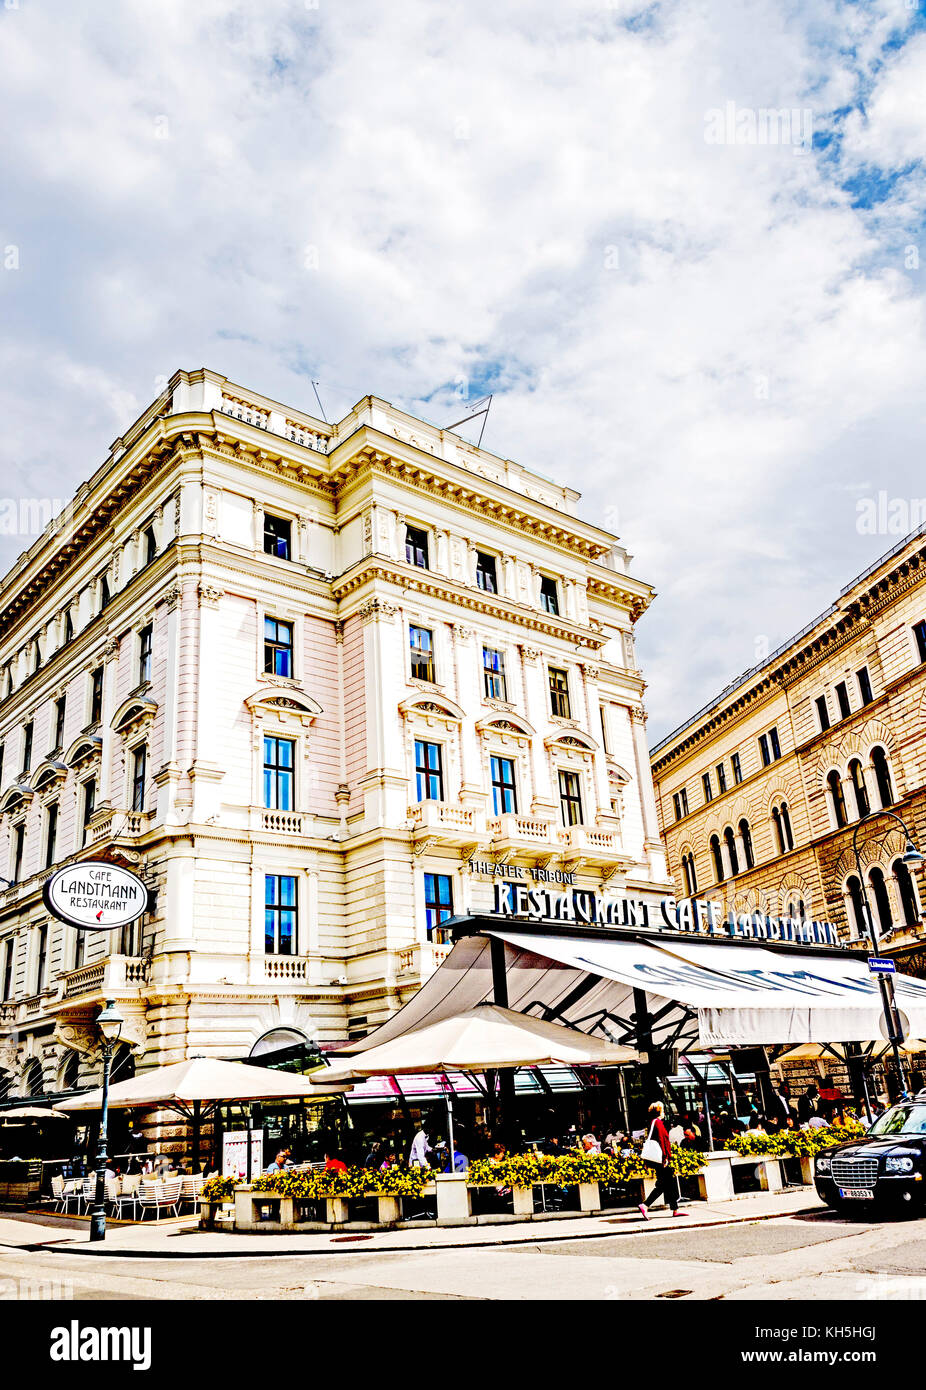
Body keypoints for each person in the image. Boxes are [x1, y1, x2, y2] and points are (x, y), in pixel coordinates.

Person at [638, 1101, 684, 1219]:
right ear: (659, 1111)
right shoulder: (657, 1123)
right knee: (663, 1185)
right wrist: (665, 1158)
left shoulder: (654, 1123)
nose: (664, 1112)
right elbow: (661, 1141)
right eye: (662, 1110)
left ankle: (675, 1209)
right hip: (662, 1160)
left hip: (660, 1159)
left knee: (669, 1182)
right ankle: (645, 1205)